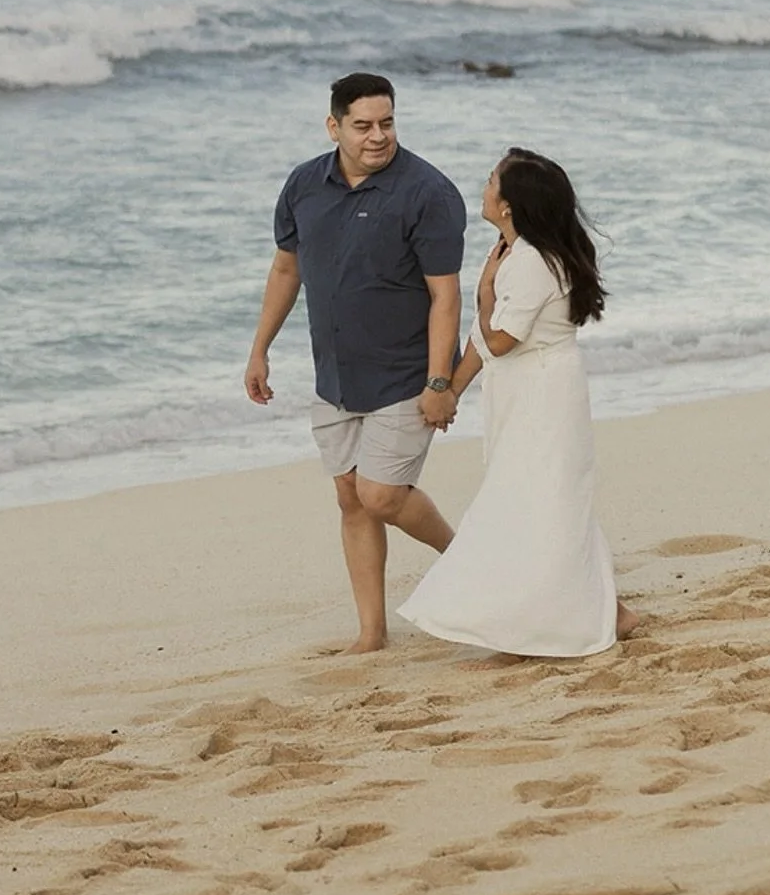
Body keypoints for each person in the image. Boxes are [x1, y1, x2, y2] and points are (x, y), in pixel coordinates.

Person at [245, 73, 466, 653]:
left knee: (381, 495)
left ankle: (466, 555)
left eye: (387, 123)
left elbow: (446, 295)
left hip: (404, 373)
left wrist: (440, 382)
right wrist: (259, 349)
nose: (378, 137)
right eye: (363, 125)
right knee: (350, 497)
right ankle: (372, 632)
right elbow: (286, 270)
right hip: (335, 377)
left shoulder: (428, 193)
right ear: (334, 126)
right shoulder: (303, 185)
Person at [398, 147, 637, 656]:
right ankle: (611, 612)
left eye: (491, 180)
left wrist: (483, 297)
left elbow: (500, 339)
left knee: (539, 499)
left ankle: (539, 622)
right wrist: (450, 391)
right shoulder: (513, 249)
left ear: (508, 203)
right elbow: (486, 343)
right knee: (547, 497)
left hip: (542, 390)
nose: (483, 187)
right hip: (527, 387)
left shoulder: (531, 260)